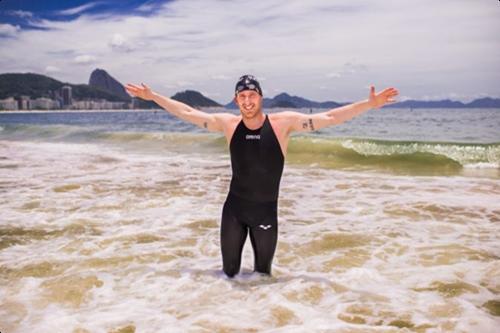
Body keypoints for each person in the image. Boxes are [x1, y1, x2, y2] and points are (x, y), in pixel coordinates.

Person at [125, 75, 398, 278]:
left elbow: (329, 117)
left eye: (251, 95)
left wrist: (368, 104)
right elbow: (187, 112)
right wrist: (155, 97)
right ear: (236, 100)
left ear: (260, 97)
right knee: (228, 275)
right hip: (234, 211)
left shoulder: (283, 124)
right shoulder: (228, 124)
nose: (247, 101)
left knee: (262, 278)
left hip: (266, 214)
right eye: (242, 97)